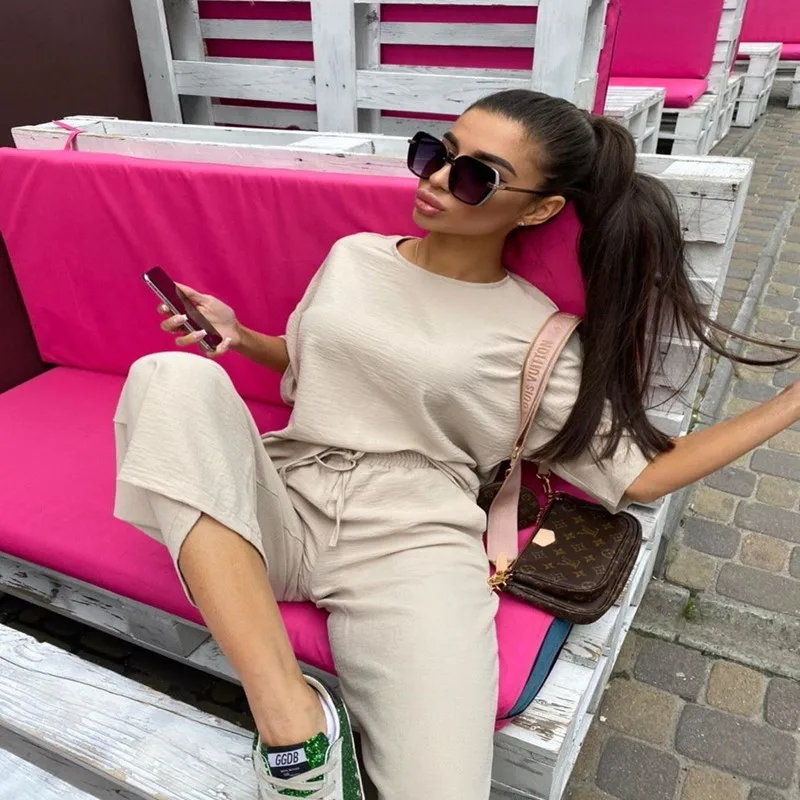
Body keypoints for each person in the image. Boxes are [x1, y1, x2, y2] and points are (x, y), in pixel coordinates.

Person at [113, 90, 800, 800]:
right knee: (169, 377)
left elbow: (645, 475)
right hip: (284, 496)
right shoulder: (354, 257)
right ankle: (291, 721)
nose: (439, 178)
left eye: (477, 176)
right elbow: (313, 365)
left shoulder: (537, 335)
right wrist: (239, 336)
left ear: (538, 209)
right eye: (436, 153)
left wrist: (789, 403)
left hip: (412, 539)